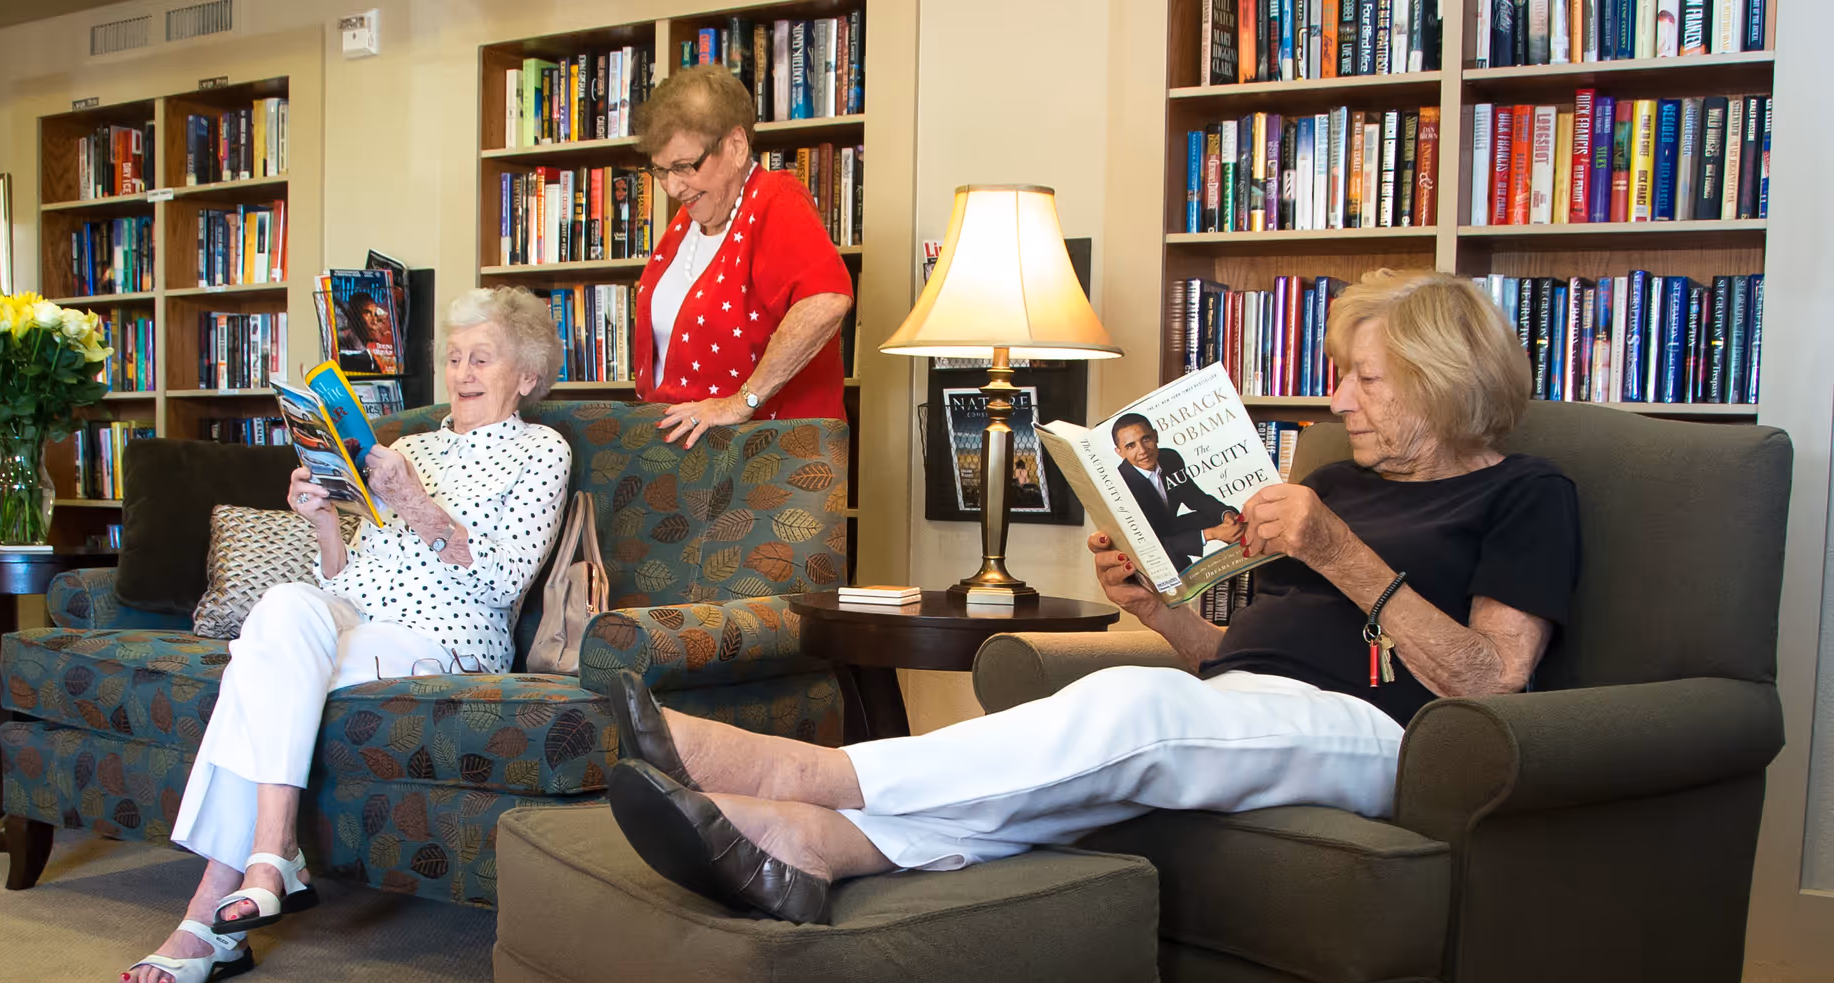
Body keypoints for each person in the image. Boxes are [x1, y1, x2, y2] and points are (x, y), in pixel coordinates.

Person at [600, 269, 1581, 924]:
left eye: (1365, 381)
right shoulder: (1343, 484)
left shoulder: (1525, 494)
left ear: (1444, 382)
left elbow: (1493, 689)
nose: (1337, 404)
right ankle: (816, 846)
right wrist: (1157, 611)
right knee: (1113, 736)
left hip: (1388, 733)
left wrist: (1343, 555)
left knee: (1127, 707)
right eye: (1341, 378)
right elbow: (1234, 659)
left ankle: (810, 779)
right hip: (1246, 705)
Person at [117, 288, 573, 983]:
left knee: (259, 673)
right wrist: (326, 516)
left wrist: (418, 503)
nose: (463, 373)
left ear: (526, 374)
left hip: (444, 639)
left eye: (482, 358)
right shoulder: (409, 444)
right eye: (454, 358)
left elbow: (505, 581)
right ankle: (272, 853)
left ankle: (211, 914)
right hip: (356, 619)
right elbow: (349, 576)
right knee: (281, 610)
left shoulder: (541, 451)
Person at [631, 66, 854, 449]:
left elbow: (826, 300)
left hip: (763, 461)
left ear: (735, 145)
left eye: (684, 167)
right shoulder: (688, 221)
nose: (672, 187)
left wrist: (741, 402)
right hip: (687, 460)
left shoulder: (775, 200)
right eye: (661, 171)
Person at [1113, 412, 1242, 567]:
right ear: (1119, 452)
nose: (1142, 451)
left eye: (1146, 439)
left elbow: (1196, 498)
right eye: (1131, 446)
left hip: (1171, 530)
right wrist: (1212, 534)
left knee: (1233, 519)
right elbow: (1148, 545)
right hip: (1147, 552)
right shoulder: (1118, 485)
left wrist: (1226, 515)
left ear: (1155, 436)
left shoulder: (1169, 458)